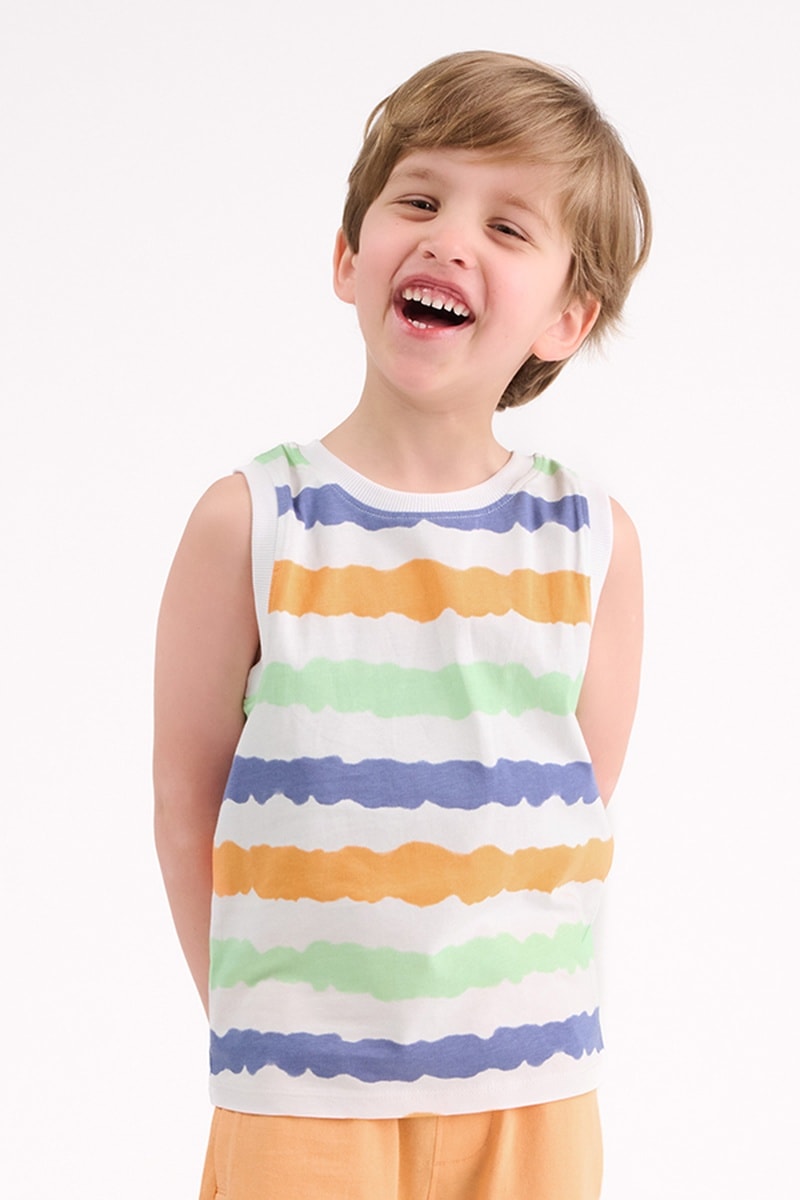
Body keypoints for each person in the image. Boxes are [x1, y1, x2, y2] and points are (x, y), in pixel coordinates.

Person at [154, 49, 650, 1200]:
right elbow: (186, 803)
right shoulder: (250, 521)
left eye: (506, 227)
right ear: (348, 255)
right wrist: (256, 1025)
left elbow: (575, 799)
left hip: (531, 1091)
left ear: (566, 316)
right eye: (418, 201)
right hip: (302, 1097)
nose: (448, 242)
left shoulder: (589, 539)